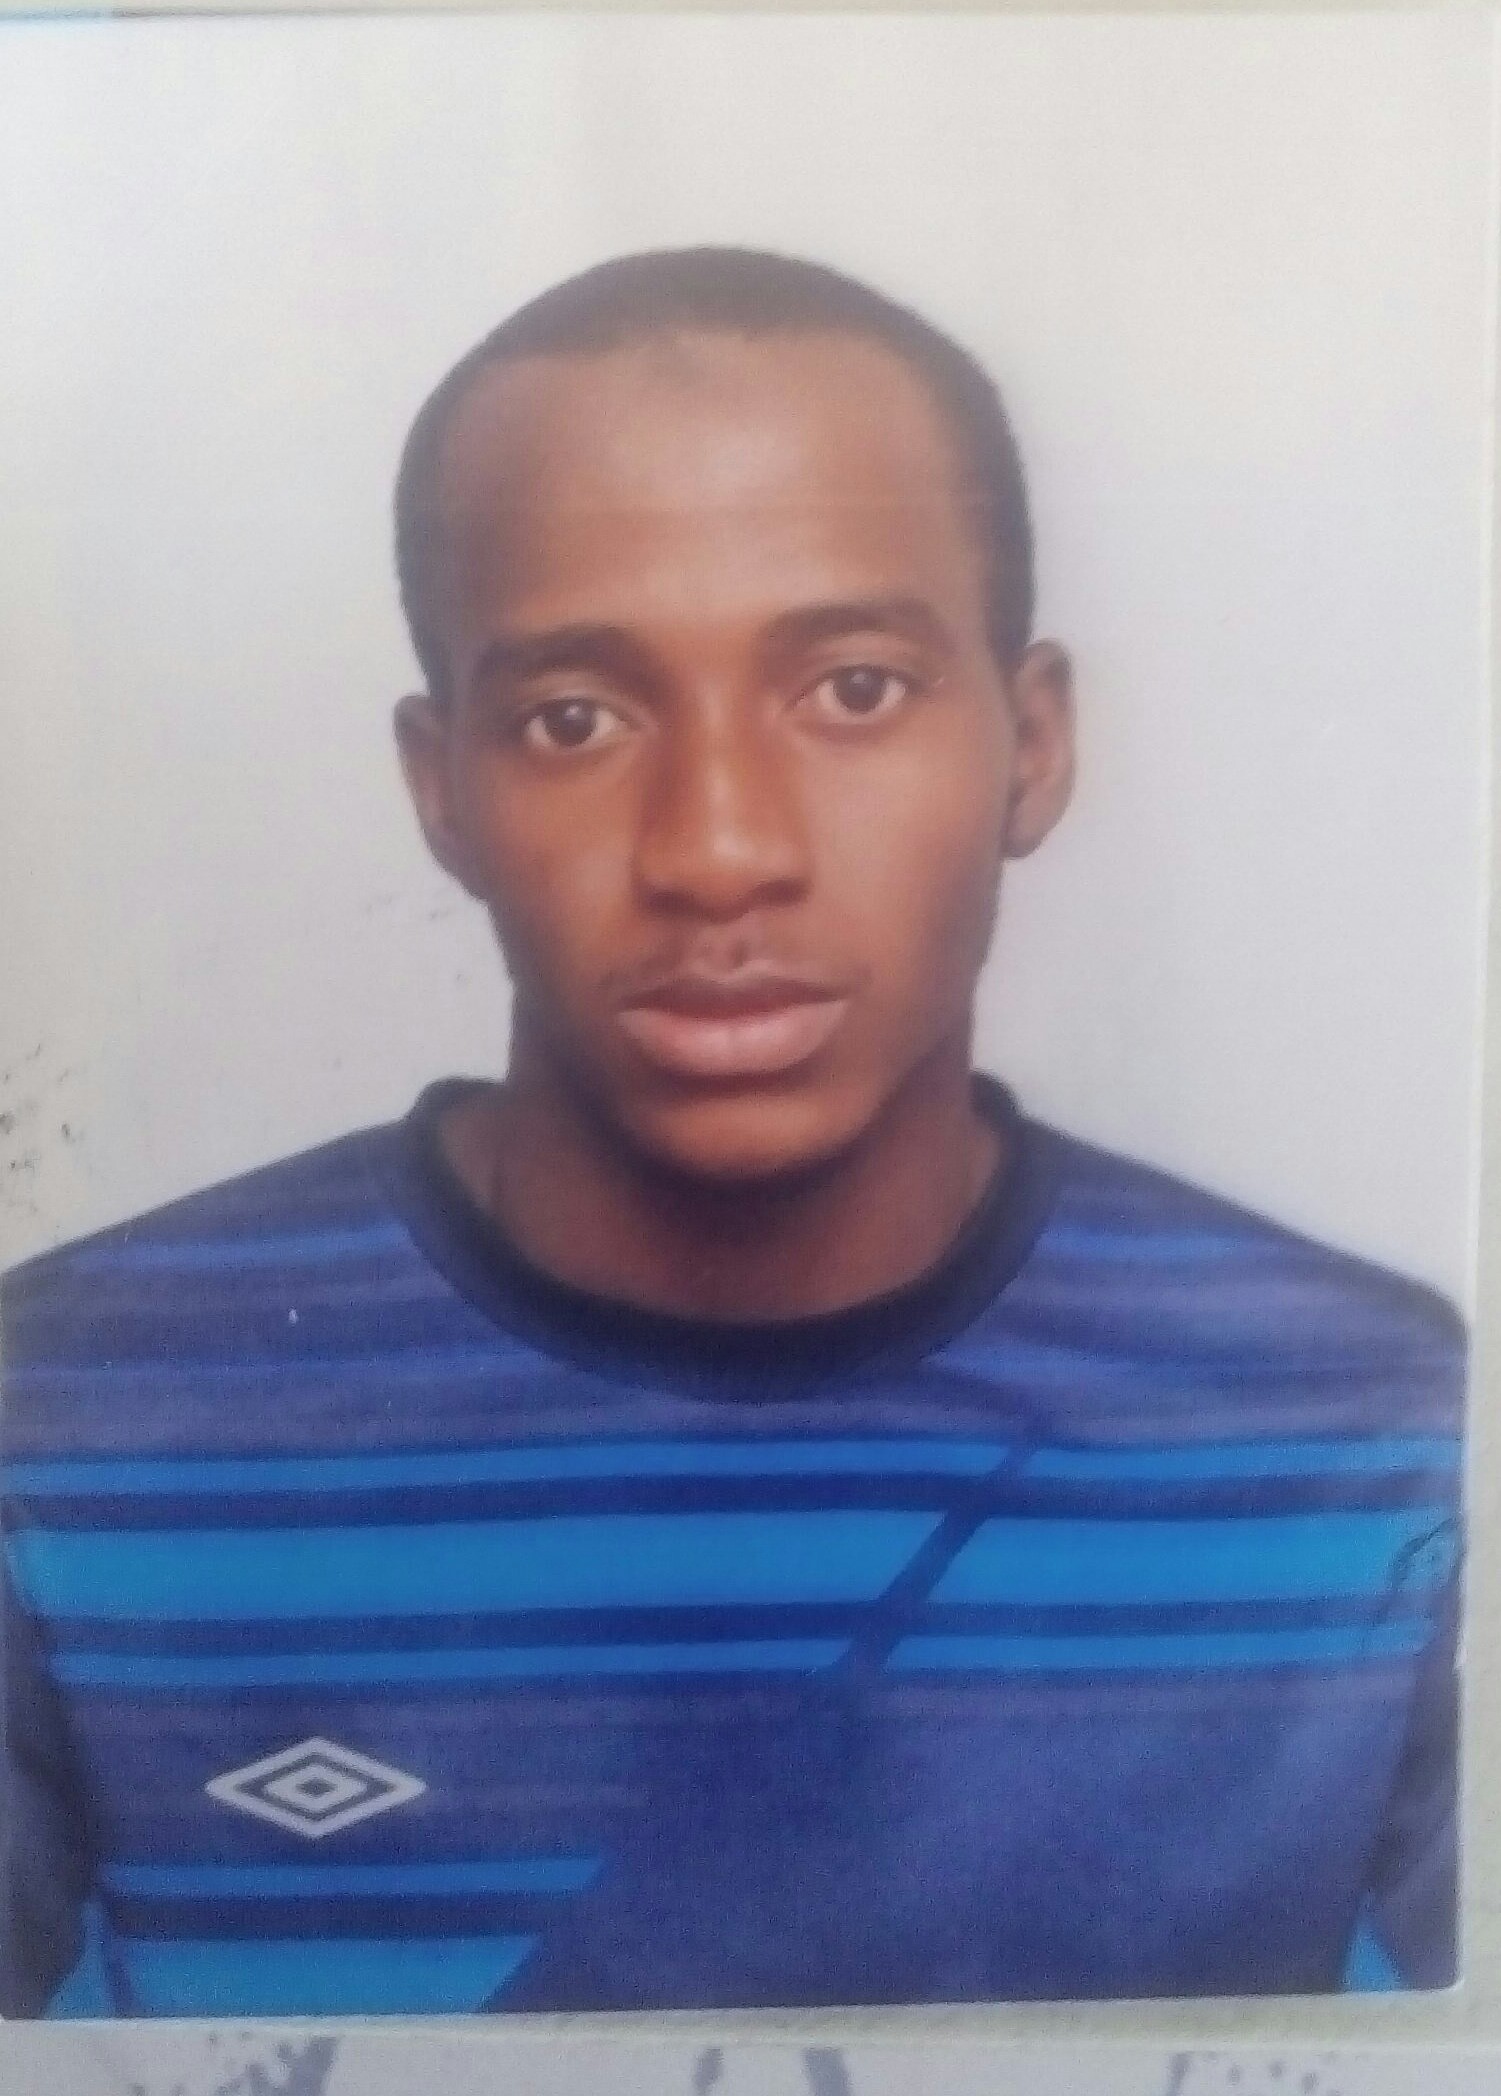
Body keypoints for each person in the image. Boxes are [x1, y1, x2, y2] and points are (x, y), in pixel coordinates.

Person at [0, 248, 1463, 2020]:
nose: (715, 848)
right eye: (573, 718)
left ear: (1030, 745)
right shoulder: (67, 1423)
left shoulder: (1381, 1442)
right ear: (442, 789)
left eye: (853, 688)